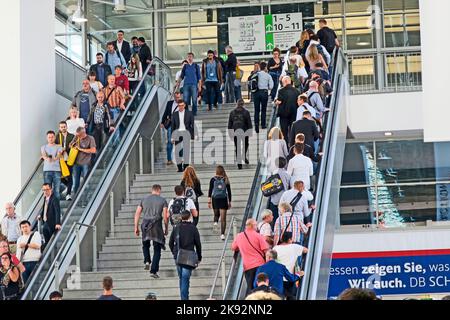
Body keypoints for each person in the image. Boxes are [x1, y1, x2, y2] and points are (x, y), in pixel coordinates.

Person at [134, 184, 168, 278]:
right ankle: (153, 271)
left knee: (145, 244)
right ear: (159, 191)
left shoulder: (144, 199)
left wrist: (136, 227)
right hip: (157, 225)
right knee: (157, 249)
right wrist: (166, 228)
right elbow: (165, 216)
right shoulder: (163, 200)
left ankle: (147, 260)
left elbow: (137, 214)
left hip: (145, 224)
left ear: (152, 190)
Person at [169, 210, 202, 300]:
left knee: (182, 278)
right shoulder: (193, 228)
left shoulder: (176, 228)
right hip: (189, 257)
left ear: (181, 217)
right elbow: (198, 244)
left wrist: (174, 253)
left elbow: (170, 243)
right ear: (189, 217)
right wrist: (199, 257)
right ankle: (184, 299)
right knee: (185, 279)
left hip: (178, 256)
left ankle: (183, 297)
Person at [232, 218, 269, 295]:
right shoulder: (258, 236)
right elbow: (266, 250)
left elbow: (233, 247)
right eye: (256, 225)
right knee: (260, 285)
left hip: (247, 266)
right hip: (260, 265)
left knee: (250, 286)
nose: (257, 227)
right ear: (253, 226)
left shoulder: (239, 236)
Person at [273, 231, 308, 299]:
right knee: (290, 296)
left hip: (277, 278)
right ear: (289, 239)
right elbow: (306, 250)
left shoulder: (275, 248)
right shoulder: (294, 247)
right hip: (289, 277)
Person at [70, 127, 96, 195]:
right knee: (75, 183)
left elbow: (93, 150)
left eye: (79, 135)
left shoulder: (90, 138)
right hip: (76, 163)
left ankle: (86, 198)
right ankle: (75, 198)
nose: (78, 137)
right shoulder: (76, 137)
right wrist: (73, 144)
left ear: (83, 133)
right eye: (77, 135)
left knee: (86, 182)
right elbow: (70, 145)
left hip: (86, 163)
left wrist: (81, 149)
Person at [208, 165, 232, 240]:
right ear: (223, 171)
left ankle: (215, 222)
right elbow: (229, 192)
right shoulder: (226, 179)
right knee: (223, 218)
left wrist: (209, 200)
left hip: (215, 198)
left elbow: (210, 190)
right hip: (223, 199)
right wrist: (230, 201)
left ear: (216, 171)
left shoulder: (212, 179)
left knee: (216, 214)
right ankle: (222, 234)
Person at [227, 99, 252, 169]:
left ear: (237, 104)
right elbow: (249, 123)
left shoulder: (232, 112)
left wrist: (230, 133)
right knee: (246, 144)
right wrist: (250, 131)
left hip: (235, 131)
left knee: (237, 147)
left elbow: (230, 124)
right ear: (243, 104)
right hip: (244, 131)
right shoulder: (246, 112)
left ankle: (239, 163)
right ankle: (243, 156)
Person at [171, 99, 195, 172]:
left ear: (184, 105)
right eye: (179, 106)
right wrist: (172, 137)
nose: (180, 107)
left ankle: (185, 168)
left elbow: (192, 125)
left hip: (186, 133)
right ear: (178, 106)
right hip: (177, 133)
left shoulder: (189, 113)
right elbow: (173, 126)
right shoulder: (174, 114)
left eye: (182, 105)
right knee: (177, 151)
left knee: (186, 151)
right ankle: (179, 168)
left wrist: (193, 135)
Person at [275, 76, 300, 144]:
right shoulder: (297, 91)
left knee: (284, 132)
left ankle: (286, 146)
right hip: (294, 114)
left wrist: (276, 101)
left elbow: (279, 101)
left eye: (282, 82)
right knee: (293, 132)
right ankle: (292, 145)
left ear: (285, 82)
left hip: (284, 115)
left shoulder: (281, 91)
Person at [160, 91, 182, 165]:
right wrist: (162, 122)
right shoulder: (169, 103)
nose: (177, 99)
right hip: (171, 125)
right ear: (174, 97)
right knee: (170, 142)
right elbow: (166, 113)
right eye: (176, 97)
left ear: (180, 96)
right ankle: (169, 159)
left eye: (178, 97)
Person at [55, 121, 75, 201]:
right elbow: (54, 147)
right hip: (60, 160)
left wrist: (67, 148)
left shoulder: (72, 136)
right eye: (61, 127)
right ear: (59, 128)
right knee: (60, 177)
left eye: (64, 126)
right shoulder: (57, 136)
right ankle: (69, 186)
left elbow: (74, 146)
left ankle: (68, 194)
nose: (63, 128)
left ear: (67, 127)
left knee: (69, 176)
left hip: (69, 159)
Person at [41, 131, 63, 200]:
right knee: (47, 191)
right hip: (47, 170)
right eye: (49, 137)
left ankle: (56, 209)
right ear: (47, 138)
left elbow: (59, 156)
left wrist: (53, 159)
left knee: (56, 190)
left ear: (54, 137)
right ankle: (48, 208)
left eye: (52, 137)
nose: (51, 138)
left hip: (57, 170)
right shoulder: (43, 147)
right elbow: (44, 156)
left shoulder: (59, 146)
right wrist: (48, 158)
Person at [267, 157, 290, 224]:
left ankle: (275, 229)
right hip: (284, 200)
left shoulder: (272, 174)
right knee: (284, 218)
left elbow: (268, 185)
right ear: (285, 164)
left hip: (274, 200)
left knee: (275, 218)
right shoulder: (287, 174)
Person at [253, 61, 274, 133]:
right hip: (264, 92)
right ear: (265, 67)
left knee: (256, 110)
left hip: (256, 93)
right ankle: (263, 125)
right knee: (263, 109)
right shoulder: (268, 75)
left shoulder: (255, 74)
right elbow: (271, 86)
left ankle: (256, 124)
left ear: (259, 67)